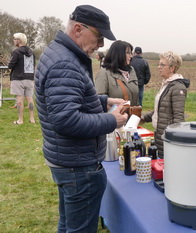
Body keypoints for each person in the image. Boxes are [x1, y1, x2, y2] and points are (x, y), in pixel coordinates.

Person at [34, 5, 128, 232]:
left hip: (66, 159)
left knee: (67, 224)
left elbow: (69, 96)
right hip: (78, 167)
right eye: (99, 37)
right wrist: (111, 121)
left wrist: (104, 101)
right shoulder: (65, 63)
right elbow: (66, 120)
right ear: (78, 29)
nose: (101, 45)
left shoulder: (59, 54)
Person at [141, 51, 190, 158]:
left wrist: (175, 140)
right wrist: (144, 118)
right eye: (159, 64)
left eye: (162, 65)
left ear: (172, 68)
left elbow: (178, 118)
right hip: (160, 135)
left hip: (168, 138)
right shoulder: (167, 84)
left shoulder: (177, 87)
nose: (159, 67)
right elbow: (161, 109)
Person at [95, 40, 139, 106]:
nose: (131, 56)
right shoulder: (104, 74)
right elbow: (98, 102)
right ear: (118, 54)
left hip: (133, 115)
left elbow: (136, 96)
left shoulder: (131, 71)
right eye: (128, 53)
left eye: (131, 53)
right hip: (114, 116)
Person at [8, 33, 35, 124]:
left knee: (19, 99)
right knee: (30, 98)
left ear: (19, 40)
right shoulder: (31, 52)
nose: (13, 40)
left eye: (15, 39)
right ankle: (32, 119)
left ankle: (20, 120)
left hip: (18, 78)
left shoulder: (16, 52)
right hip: (30, 78)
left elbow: (10, 65)